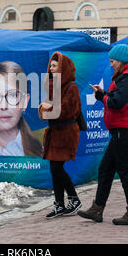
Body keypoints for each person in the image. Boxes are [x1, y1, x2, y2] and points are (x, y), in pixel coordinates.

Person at [77, 44, 128, 225]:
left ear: (121, 60)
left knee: (126, 173)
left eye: (112, 61)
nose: (110, 65)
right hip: (120, 131)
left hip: (124, 132)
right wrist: (103, 94)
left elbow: (118, 103)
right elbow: (116, 98)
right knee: (106, 170)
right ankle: (97, 209)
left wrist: (103, 97)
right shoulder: (126, 77)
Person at [38, 52, 83, 219]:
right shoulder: (53, 85)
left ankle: (73, 198)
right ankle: (59, 203)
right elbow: (51, 111)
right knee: (54, 169)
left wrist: (46, 108)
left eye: (55, 66)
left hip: (66, 132)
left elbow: (64, 111)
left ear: (63, 68)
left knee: (57, 168)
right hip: (55, 131)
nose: (51, 68)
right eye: (51, 65)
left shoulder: (71, 87)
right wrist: (46, 109)